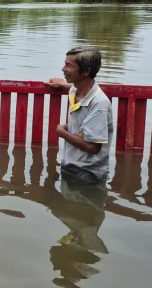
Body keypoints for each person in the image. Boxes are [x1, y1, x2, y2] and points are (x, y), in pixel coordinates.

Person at [46, 46, 114, 185]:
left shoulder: (99, 104)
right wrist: (62, 84)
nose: (63, 69)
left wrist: (62, 131)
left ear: (86, 71)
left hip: (87, 174)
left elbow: (93, 147)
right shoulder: (76, 90)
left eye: (68, 65)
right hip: (71, 166)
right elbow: (73, 88)